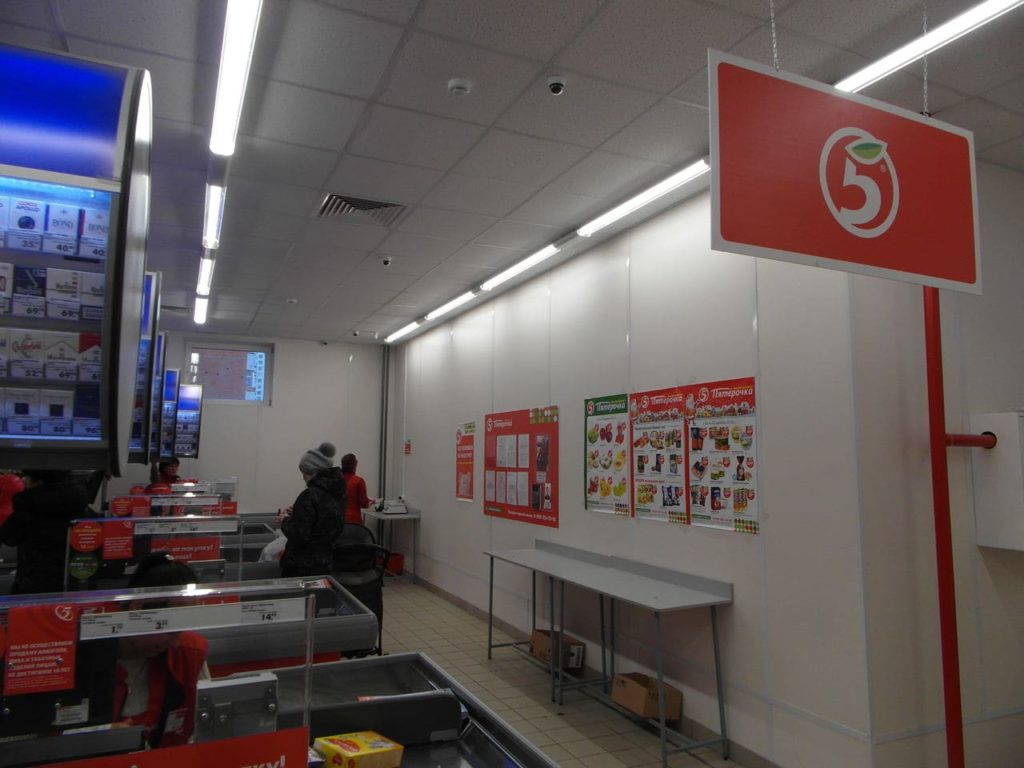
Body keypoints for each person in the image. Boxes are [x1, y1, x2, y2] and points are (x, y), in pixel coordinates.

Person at [113, 552, 209, 748]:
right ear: (137, 609)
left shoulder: (189, 652)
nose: (175, 642)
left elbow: (202, 728)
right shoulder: (79, 659)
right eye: (170, 629)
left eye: (181, 630)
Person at [0, 468, 89, 594]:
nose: (24, 480)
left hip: (33, 580)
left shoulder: (27, 507)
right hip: (72, 578)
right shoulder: (79, 504)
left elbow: (9, 538)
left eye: (27, 477)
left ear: (39, 482)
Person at [279, 441, 345, 577]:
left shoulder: (309, 495)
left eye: (303, 472)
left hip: (302, 566)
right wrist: (298, 513)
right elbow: (323, 521)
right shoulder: (337, 493)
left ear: (310, 470)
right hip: (326, 562)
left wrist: (284, 520)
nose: (303, 477)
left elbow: (299, 535)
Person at [340, 453, 375, 525]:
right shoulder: (358, 481)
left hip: (337, 519)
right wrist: (371, 502)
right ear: (355, 464)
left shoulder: (335, 480)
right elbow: (364, 504)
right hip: (353, 520)